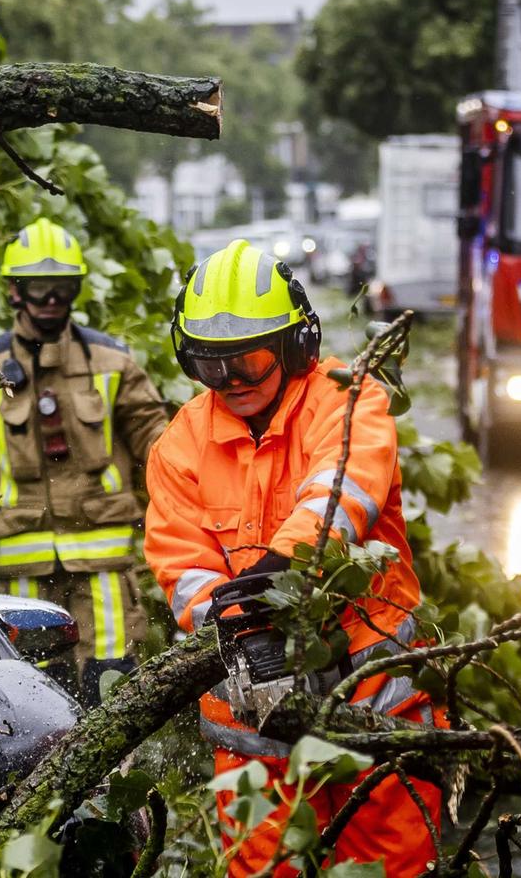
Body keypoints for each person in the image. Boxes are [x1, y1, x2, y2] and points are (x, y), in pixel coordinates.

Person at [143, 239, 439, 878]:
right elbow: (182, 562)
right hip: (252, 715)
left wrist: (278, 573)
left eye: (247, 360)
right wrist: (238, 630)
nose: (232, 383)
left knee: (391, 867)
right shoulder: (181, 444)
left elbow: (341, 493)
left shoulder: (347, 400)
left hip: (371, 696)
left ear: (294, 346)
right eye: (210, 365)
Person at [0, 217, 168, 704]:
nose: (51, 301)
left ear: (77, 290)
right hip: (21, 575)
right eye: (39, 288)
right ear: (14, 292)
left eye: (62, 288)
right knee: (35, 694)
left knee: (110, 686)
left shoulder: (112, 362)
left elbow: (157, 436)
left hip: (103, 566)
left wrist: (187, 486)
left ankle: (117, 781)